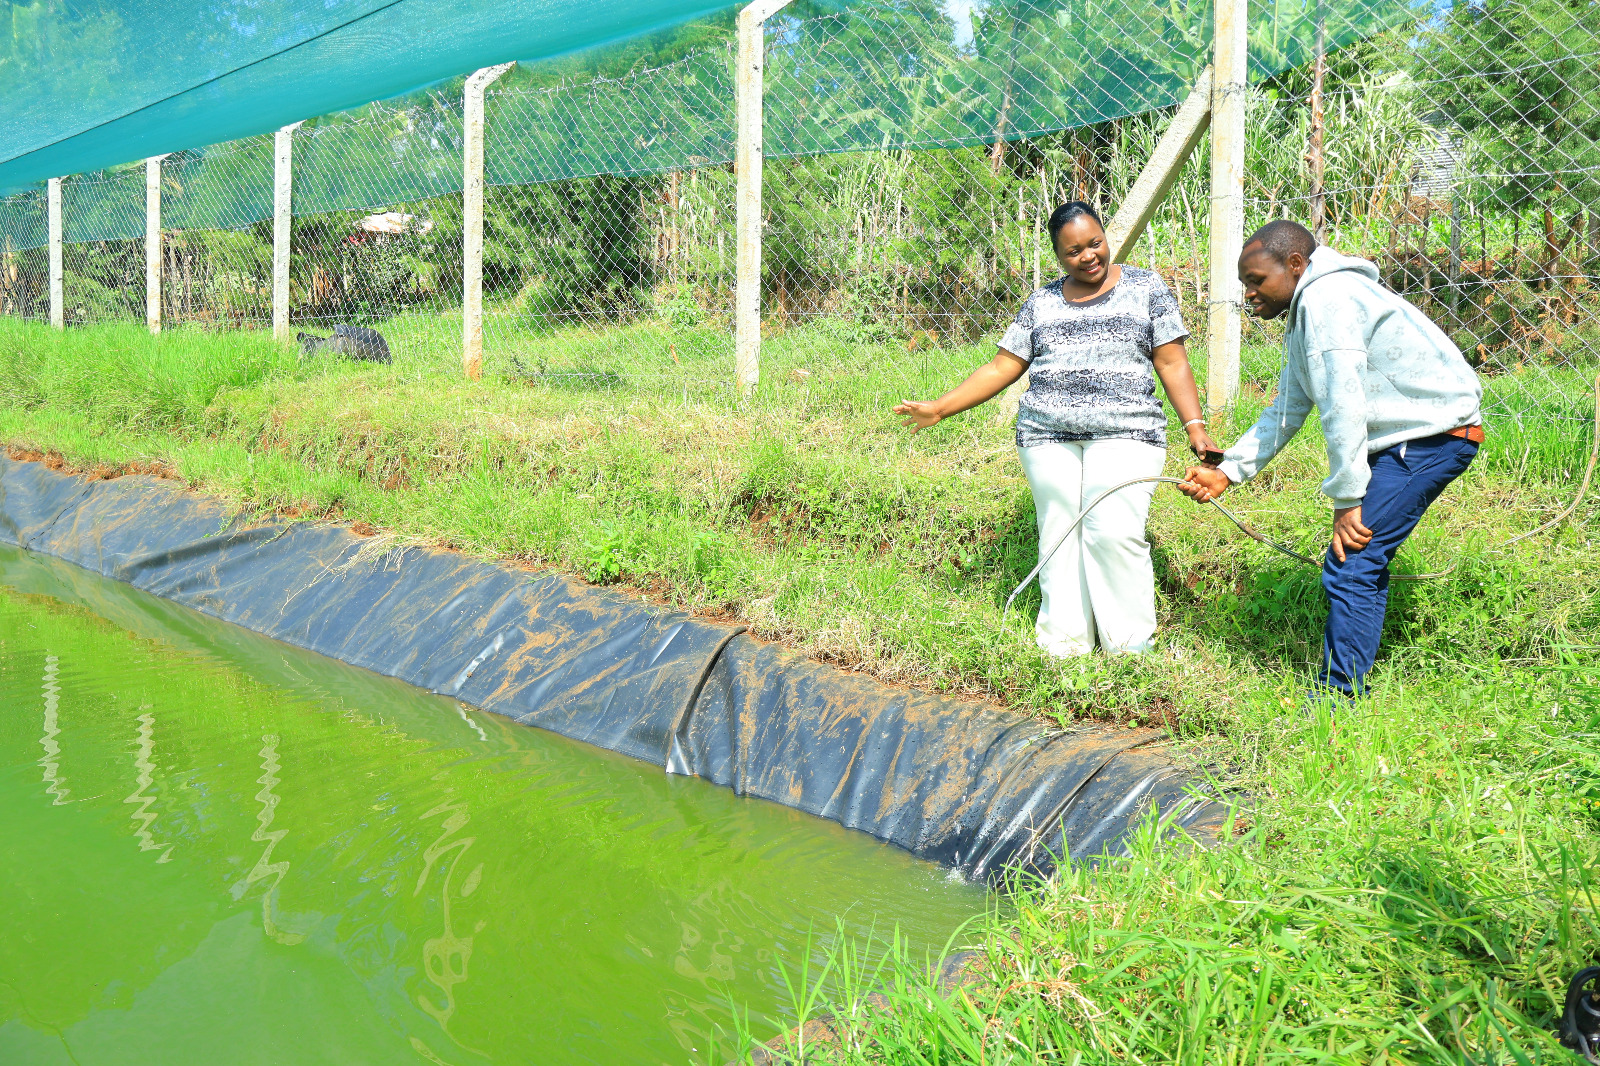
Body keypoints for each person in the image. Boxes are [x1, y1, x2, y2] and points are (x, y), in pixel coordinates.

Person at [894, 201, 1217, 657]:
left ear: (1106, 237)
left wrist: (1196, 426)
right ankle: (1065, 647)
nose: (1088, 256)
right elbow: (1004, 364)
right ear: (1058, 256)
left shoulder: (1146, 287)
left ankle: (1130, 648)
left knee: (1112, 530)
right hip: (1047, 435)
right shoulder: (1042, 301)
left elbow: (1172, 359)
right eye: (1073, 251)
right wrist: (941, 408)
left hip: (1127, 430)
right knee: (1060, 532)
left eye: (1095, 243)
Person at [1179, 220, 1483, 700]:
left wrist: (1348, 497)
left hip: (1432, 437)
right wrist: (1228, 470)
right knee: (1361, 561)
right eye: (1244, 284)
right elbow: (1289, 406)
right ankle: (1346, 688)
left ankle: (1338, 701)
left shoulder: (1326, 301)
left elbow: (1343, 403)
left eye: (1257, 281)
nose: (1249, 294)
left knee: (1352, 559)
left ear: (1295, 265)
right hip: (1414, 437)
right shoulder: (1311, 306)